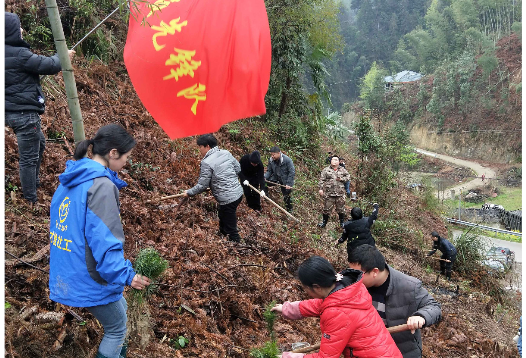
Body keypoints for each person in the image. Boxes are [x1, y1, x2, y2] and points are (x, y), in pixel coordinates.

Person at [48, 124, 151, 358]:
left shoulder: (71, 177)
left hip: (68, 270)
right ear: (112, 153)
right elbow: (104, 241)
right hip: (89, 275)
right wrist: (127, 275)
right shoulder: (101, 186)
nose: (126, 162)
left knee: (121, 310)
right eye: (126, 157)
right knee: (117, 328)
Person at [4, 11, 75, 205]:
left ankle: (34, 184)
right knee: (28, 157)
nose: (21, 30)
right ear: (10, 31)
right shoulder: (20, 54)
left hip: (9, 113)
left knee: (40, 144)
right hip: (24, 114)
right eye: (17, 27)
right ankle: (31, 199)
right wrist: (64, 56)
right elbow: (49, 65)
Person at [271, 255, 402, 358]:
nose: (305, 291)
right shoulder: (346, 288)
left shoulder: (337, 314)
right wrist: (287, 309)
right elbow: (323, 304)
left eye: (305, 288)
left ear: (316, 287)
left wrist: (287, 356)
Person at [348, 245, 442, 358]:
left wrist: (421, 316)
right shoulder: (357, 286)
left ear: (374, 272)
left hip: (402, 351)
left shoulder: (409, 286)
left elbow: (434, 307)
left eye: (357, 275)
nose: (353, 279)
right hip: (370, 350)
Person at [184, 134, 244, 242]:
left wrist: (189, 192)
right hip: (238, 192)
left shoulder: (206, 162)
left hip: (228, 198)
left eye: (200, 147)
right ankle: (222, 234)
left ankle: (236, 245)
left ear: (207, 146)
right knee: (223, 213)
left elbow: (202, 185)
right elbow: (238, 168)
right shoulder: (226, 153)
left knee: (230, 223)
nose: (199, 150)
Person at [317, 155, 350, 228]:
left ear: (339, 162)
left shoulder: (342, 169)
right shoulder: (326, 170)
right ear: (330, 161)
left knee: (341, 209)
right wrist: (320, 189)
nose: (334, 161)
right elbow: (321, 180)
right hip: (329, 194)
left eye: (336, 160)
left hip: (340, 194)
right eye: (333, 159)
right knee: (326, 209)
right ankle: (324, 223)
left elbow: (348, 177)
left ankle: (342, 223)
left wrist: (341, 179)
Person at [264, 146, 295, 213]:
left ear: (278, 153)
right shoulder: (271, 160)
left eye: (273, 155)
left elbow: (291, 172)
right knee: (264, 183)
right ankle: (265, 199)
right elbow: (269, 171)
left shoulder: (287, 160)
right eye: (271, 155)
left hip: (285, 181)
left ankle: (289, 210)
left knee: (287, 196)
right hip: (275, 178)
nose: (272, 156)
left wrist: (289, 184)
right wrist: (265, 177)